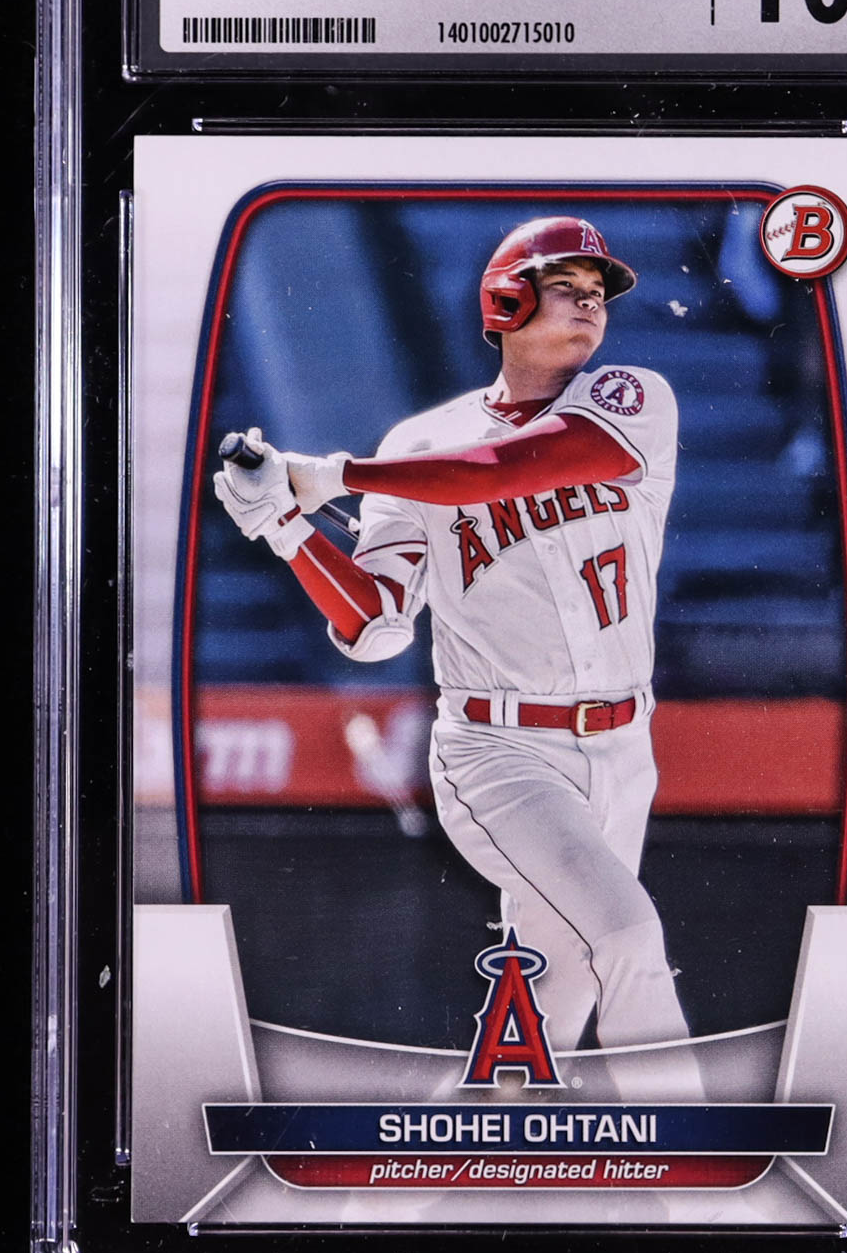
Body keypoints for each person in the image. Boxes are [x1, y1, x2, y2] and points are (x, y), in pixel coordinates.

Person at [214, 215, 701, 1094]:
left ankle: (431, 1168)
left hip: (626, 745)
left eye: (598, 293)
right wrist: (287, 527)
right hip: (498, 750)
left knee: (543, 1020)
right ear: (506, 301)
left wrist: (337, 476)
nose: (590, 304)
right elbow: (376, 625)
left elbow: (505, 468)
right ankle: (702, 1162)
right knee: (626, 935)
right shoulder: (417, 447)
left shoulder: (631, 396)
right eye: (565, 286)